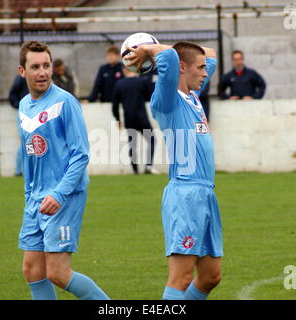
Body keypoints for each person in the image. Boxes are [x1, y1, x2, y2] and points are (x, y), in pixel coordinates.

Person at [125, 41, 223, 300]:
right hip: (185, 194)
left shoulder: (192, 95)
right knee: (181, 277)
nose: (206, 73)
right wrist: (148, 49)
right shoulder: (166, 100)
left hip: (205, 193)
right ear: (182, 68)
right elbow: (169, 55)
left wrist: (160, 49)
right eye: (200, 69)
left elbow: (209, 55)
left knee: (211, 276)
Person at [17, 40, 109, 300]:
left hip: (64, 196)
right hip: (35, 198)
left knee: (57, 273)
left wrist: (58, 194)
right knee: (32, 269)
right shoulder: (24, 106)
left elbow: (81, 155)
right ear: (22, 71)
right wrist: (29, 195)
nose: (42, 72)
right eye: (35, 67)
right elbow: (29, 156)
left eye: (46, 65)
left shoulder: (65, 102)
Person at [112, 67, 157, 174]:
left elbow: (115, 105)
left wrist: (118, 119)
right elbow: (150, 96)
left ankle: (135, 170)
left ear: (124, 71)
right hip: (142, 117)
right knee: (151, 140)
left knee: (133, 144)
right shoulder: (142, 81)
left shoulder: (119, 84)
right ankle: (148, 166)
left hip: (129, 118)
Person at [9, 74, 29, 176]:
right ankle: (18, 170)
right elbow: (12, 95)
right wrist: (20, 106)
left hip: (40, 113)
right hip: (24, 114)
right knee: (25, 141)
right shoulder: (21, 78)